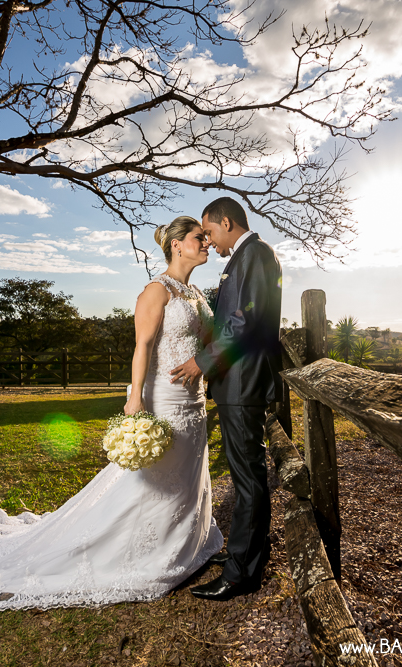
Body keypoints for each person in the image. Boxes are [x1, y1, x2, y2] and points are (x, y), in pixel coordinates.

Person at [0, 216, 224, 614]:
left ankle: (185, 542)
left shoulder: (196, 293)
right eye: (199, 237)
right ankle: (134, 552)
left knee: (185, 476)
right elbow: (142, 347)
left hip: (193, 400)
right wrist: (135, 401)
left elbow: (207, 344)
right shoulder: (155, 291)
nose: (206, 242)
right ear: (177, 245)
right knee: (151, 481)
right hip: (163, 398)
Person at [171, 196, 283, 601]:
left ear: (227, 221)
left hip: (243, 383)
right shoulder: (247, 257)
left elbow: (246, 319)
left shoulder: (254, 254)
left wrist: (202, 361)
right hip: (238, 382)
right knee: (245, 476)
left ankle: (241, 574)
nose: (210, 241)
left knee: (248, 479)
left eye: (210, 232)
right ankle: (242, 552)